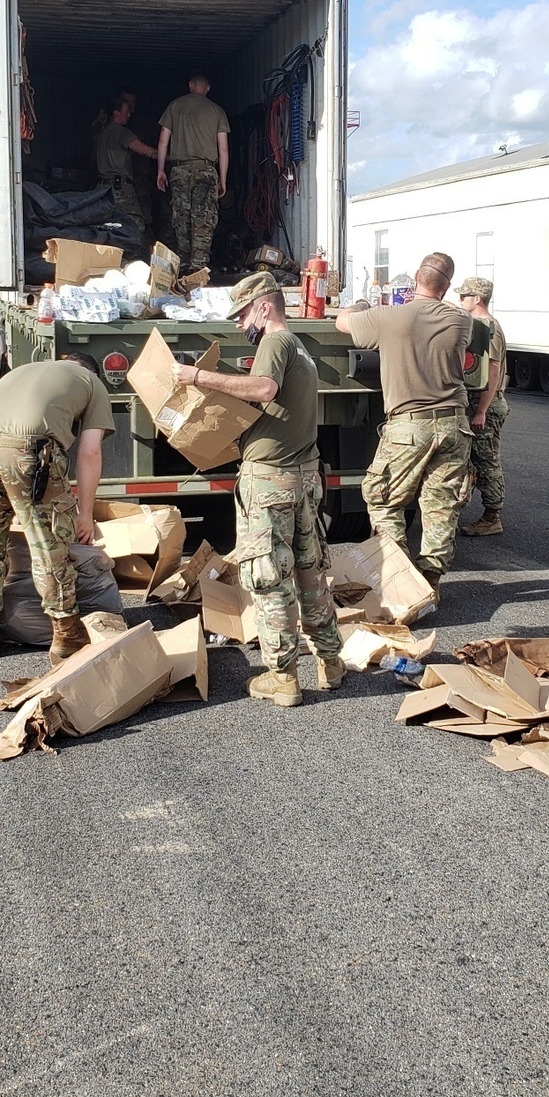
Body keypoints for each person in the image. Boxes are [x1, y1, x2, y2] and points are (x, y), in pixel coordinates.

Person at [173, 271, 344, 707]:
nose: (238, 324)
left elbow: (264, 387)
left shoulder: (276, 341)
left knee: (268, 579)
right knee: (309, 570)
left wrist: (196, 377)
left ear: (264, 306)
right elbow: (273, 399)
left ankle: (283, 678)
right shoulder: (300, 347)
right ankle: (331, 661)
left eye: (242, 313)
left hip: (271, 481)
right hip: (304, 477)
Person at [0, 353, 115, 663]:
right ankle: (66, 633)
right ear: (91, 371)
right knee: (49, 546)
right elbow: (89, 453)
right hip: (27, 452)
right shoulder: (92, 383)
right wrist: (85, 514)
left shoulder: (26, 369)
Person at [335, 252, 472, 600]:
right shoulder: (460, 321)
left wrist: (362, 304)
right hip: (455, 425)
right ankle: (431, 579)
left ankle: (400, 579)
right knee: (440, 505)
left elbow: (343, 321)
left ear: (415, 277)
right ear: (447, 286)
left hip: (410, 426)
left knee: (381, 499)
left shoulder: (389, 318)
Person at [157, 75, 230, 273]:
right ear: (208, 88)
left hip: (180, 170)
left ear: (190, 86)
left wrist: (160, 170)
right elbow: (223, 148)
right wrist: (223, 178)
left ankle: (184, 264)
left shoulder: (174, 106)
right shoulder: (217, 111)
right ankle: (199, 268)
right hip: (206, 171)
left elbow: (163, 141)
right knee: (203, 219)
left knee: (181, 217)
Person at [456, 275, 509, 536]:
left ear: (477, 299)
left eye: (464, 296)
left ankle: (492, 516)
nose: (460, 300)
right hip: (476, 401)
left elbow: (493, 368)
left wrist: (481, 411)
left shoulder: (489, 326)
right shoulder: (476, 324)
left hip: (485, 402)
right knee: (474, 459)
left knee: (487, 461)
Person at [94, 95, 158, 235]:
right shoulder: (121, 132)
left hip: (101, 188)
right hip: (119, 188)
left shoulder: (101, 133)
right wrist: (172, 156)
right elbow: (146, 151)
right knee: (136, 225)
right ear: (116, 113)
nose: (129, 115)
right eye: (126, 111)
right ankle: (130, 256)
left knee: (108, 225)